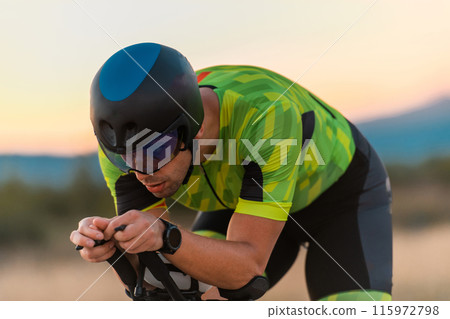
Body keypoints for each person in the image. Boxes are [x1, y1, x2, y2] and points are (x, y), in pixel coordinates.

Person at [70, 42, 393, 301]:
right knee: (193, 294)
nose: (138, 173)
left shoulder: (265, 114)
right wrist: (110, 247)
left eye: (153, 154)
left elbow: (246, 269)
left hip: (338, 199)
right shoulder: (124, 147)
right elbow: (157, 278)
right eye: (122, 158)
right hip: (239, 203)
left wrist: (166, 236)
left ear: (191, 130)